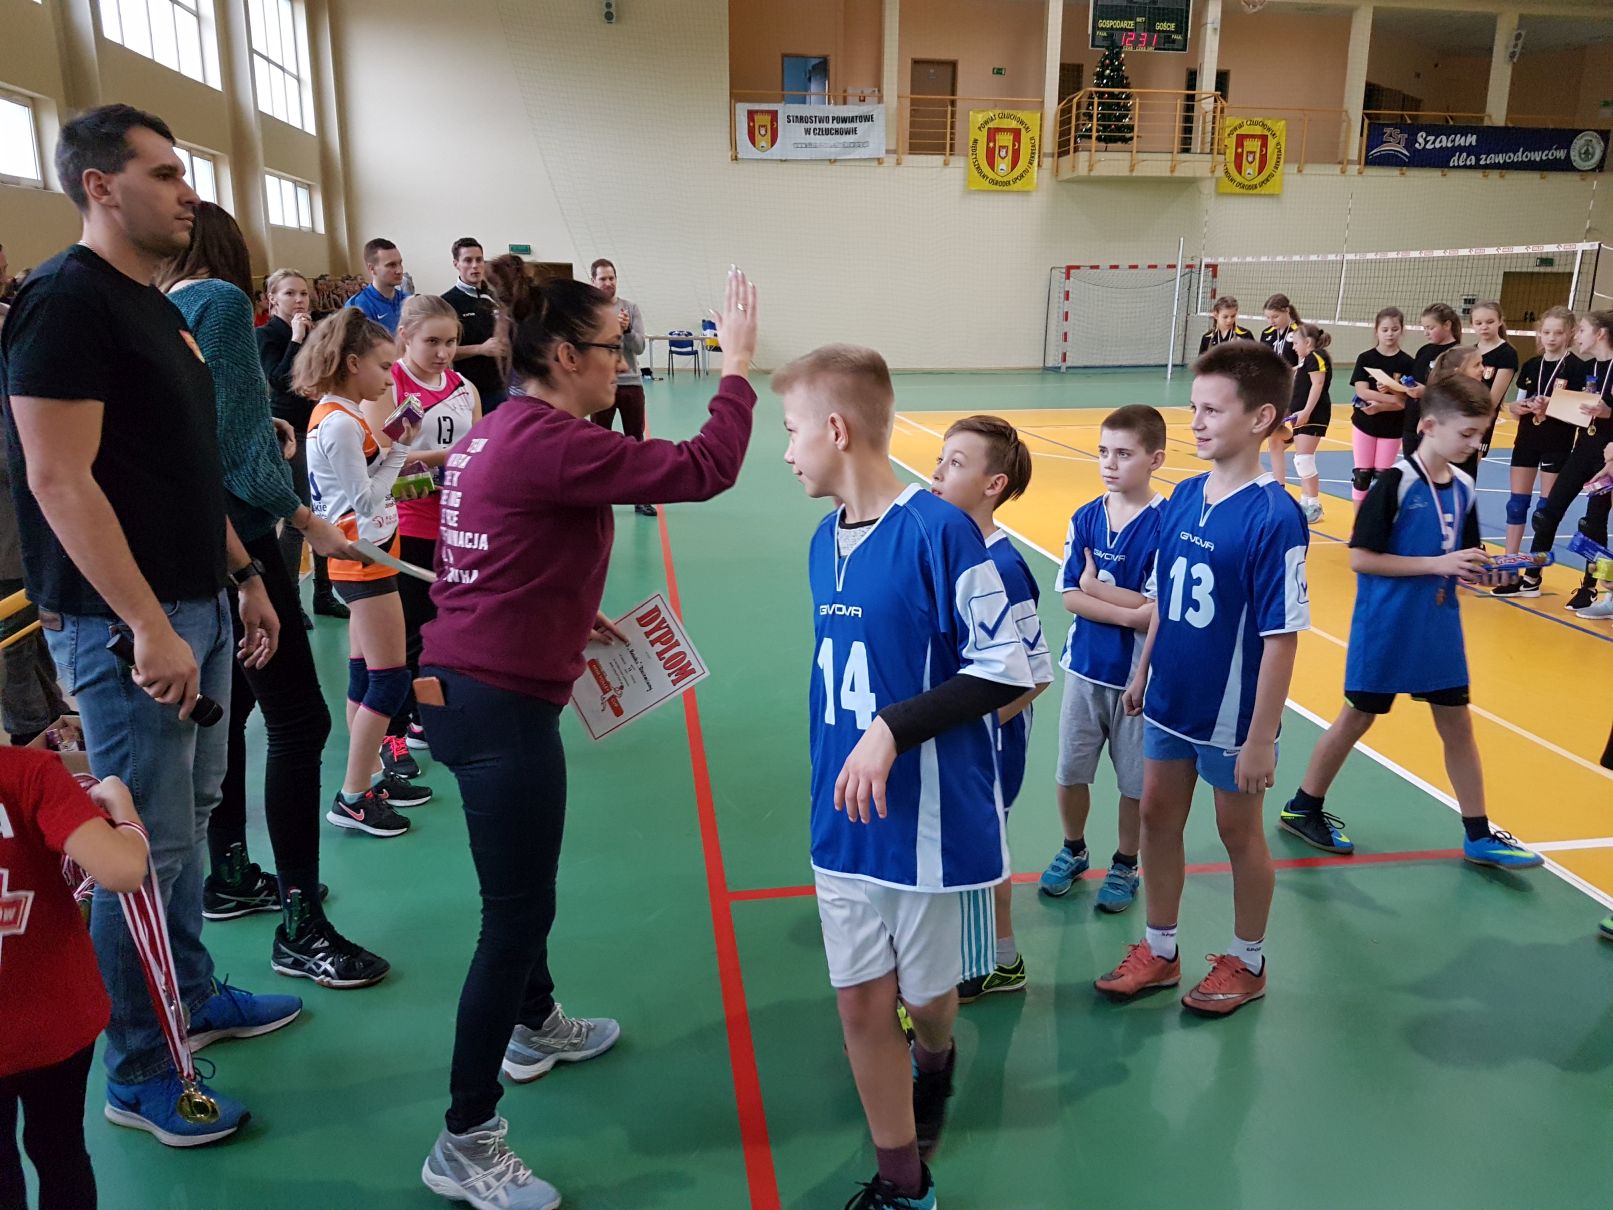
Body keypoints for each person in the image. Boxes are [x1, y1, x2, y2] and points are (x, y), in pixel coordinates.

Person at [414, 270, 759, 1209]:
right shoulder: (551, 440)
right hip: (496, 706)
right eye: (614, 347)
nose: (623, 362)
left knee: (522, 897)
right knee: (513, 916)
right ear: (566, 355)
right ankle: (465, 1139)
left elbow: (490, 553)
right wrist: (735, 367)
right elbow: (703, 469)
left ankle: (534, 1023)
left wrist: (564, 612)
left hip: (469, 684)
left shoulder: (499, 430)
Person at [0, 103, 300, 1146]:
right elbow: (58, 478)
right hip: (126, 623)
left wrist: (243, 574)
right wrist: (144, 624)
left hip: (199, 600)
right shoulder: (64, 303)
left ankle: (193, 994)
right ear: (99, 185)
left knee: (192, 816)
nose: (187, 191)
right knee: (142, 844)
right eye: (165, 173)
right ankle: (138, 1066)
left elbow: (179, 468)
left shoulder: (153, 306)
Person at [779, 344, 1035, 1210]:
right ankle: (903, 1181)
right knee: (859, 1005)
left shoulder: (939, 532)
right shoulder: (822, 541)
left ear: (835, 429)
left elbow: (1005, 666)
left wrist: (891, 728)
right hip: (839, 816)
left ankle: (936, 1055)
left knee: (926, 1000)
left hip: (924, 825)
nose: (785, 452)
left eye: (791, 431)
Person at [159, 202, 388, 987]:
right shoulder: (219, 302)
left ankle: (228, 872)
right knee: (299, 718)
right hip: (242, 540)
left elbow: (209, 423)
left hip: (190, 541)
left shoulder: (158, 305)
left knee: (238, 711)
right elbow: (226, 441)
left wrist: (269, 432)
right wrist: (303, 517)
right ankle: (301, 926)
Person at [1095, 342, 1308, 1018]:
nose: (1196, 421)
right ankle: (1160, 949)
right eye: (1194, 408)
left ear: (1261, 417)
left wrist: (1261, 738)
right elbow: (1162, 599)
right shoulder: (1184, 496)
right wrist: (1143, 670)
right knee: (1156, 816)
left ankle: (1248, 961)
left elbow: (1280, 637)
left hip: (1229, 716)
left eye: (1212, 410)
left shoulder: (1274, 516)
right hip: (1168, 700)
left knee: (1237, 834)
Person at [1278, 377, 1546, 870]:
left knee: (1457, 726)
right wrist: (1437, 565)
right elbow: (1360, 558)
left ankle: (1478, 833)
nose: (1475, 444)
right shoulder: (1395, 484)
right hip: (1387, 626)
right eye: (1466, 433)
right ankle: (1302, 807)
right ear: (1429, 425)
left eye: (1480, 435)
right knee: (1357, 718)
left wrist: (1482, 573)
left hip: (1439, 628)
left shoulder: (1464, 487)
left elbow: (1460, 559)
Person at [927, 415, 1053, 1002]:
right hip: (956, 729)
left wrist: (967, 726)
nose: (936, 471)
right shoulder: (948, 550)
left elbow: (1035, 674)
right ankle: (974, 950)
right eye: (941, 458)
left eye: (955, 463)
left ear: (993, 485)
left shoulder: (1003, 567)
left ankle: (997, 960)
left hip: (990, 742)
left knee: (983, 846)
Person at [298, 310, 432, 839]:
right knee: (391, 676)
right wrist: (403, 448)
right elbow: (366, 500)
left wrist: (394, 451)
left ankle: (370, 776)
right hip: (363, 558)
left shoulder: (338, 415)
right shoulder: (339, 423)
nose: (388, 380)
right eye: (382, 367)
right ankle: (353, 795)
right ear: (352, 364)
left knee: (363, 672)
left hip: (363, 554)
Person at [1, 755, 149, 1208]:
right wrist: (123, 807)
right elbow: (123, 870)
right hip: (57, 1018)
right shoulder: (31, 773)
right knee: (60, 1148)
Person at [1040, 405, 1165, 914]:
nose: (1110, 464)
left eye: (1124, 454)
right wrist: (1124, 609)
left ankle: (1125, 862)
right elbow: (1071, 596)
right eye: (1103, 452)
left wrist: (1096, 588)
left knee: (1134, 784)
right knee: (1071, 771)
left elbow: (1157, 612)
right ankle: (1073, 849)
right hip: (1085, 669)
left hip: (1137, 678)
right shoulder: (1085, 517)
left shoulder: (1167, 524)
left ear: (1155, 459)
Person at [381, 295, 481, 772]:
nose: (443, 353)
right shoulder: (391, 384)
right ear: (405, 337)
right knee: (404, 636)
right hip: (406, 527)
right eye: (432, 342)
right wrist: (449, 460)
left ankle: (426, 716)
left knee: (447, 632)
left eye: (452, 342)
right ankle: (392, 733)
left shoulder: (463, 387)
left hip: (456, 525)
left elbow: (478, 452)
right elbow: (382, 466)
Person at [259, 267, 349, 621]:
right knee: (299, 518)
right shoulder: (267, 335)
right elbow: (279, 381)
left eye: (303, 293)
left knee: (326, 513)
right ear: (273, 299)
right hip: (291, 432)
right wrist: (296, 339)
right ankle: (290, 602)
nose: (299, 300)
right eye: (290, 293)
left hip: (320, 428)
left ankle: (324, 594)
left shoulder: (316, 332)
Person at [1526, 309, 1613, 613]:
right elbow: (1579, 408)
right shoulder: (1590, 368)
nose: (1577, 335)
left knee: (1593, 524)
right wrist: (1550, 404)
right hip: (1583, 450)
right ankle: (1532, 575)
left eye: (1582, 330)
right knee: (1547, 513)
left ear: (1600, 334)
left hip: (1608, 458)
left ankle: (1591, 587)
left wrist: (1609, 412)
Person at [1493, 306, 1584, 566]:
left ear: (1570, 333)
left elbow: (1581, 414)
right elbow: (1514, 407)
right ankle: (1509, 561)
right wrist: (1516, 407)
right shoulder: (1532, 365)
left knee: (1545, 511)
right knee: (1516, 505)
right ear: (1539, 334)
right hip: (1526, 440)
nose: (1551, 338)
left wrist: (1550, 407)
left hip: (1557, 442)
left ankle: (1534, 568)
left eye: (1558, 332)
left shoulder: (1576, 368)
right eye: (1546, 332)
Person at [588, 259, 653, 516]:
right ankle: (595, 496)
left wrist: (626, 331)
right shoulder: (589, 310)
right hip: (600, 384)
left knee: (635, 441)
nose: (608, 283)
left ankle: (640, 496)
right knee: (596, 441)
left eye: (611, 278)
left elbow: (639, 347)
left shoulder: (630, 309)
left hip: (630, 385)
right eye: (603, 279)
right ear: (593, 281)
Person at [1348, 307, 1415, 507]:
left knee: (1382, 477)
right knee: (1362, 476)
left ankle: (1377, 520)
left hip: (1392, 428)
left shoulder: (1407, 362)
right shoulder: (1366, 358)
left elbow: (1405, 402)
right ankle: (1358, 522)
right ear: (1376, 330)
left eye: (1394, 329)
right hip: (1364, 423)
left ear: (1402, 330)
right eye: (1385, 330)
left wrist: (1384, 405)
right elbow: (1362, 391)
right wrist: (1391, 399)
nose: (1389, 334)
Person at [443, 238, 510, 413]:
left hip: (502, 387)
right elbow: (442, 350)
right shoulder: (447, 303)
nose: (475, 266)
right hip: (468, 391)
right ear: (456, 264)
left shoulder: (494, 297)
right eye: (468, 260)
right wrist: (480, 349)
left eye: (479, 260)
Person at [1285, 321, 1333, 523]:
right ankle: (1305, 502)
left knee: (1304, 460)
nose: (1293, 347)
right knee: (1301, 460)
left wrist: (1306, 411)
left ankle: (1314, 504)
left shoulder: (1316, 357)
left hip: (1314, 415)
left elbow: (1318, 384)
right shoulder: (1306, 361)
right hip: (1302, 415)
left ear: (1307, 342)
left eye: (1296, 343)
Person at [1402, 303, 1462, 457]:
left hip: (1436, 425)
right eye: (1424, 328)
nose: (1426, 333)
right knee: (1412, 467)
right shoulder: (1424, 351)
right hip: (1411, 421)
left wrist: (1426, 392)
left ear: (1447, 325)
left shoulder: (1458, 354)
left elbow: (1457, 392)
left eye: (1430, 328)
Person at [346, 238, 408, 335]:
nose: (399, 271)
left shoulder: (408, 300)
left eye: (400, 263)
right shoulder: (357, 306)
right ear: (372, 269)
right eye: (391, 265)